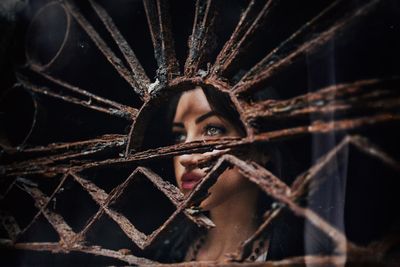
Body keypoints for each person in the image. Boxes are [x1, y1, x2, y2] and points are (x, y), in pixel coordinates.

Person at [168, 86, 270, 262]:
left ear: (262, 147)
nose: (185, 157)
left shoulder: (305, 254)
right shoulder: (165, 254)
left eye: (212, 130)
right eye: (180, 136)